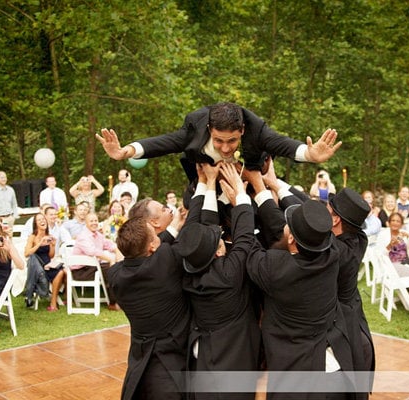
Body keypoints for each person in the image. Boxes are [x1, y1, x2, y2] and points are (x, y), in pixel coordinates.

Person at [246, 199, 355, 398]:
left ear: (290, 240)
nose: (283, 226)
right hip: (336, 372)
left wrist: (241, 200)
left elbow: (248, 248)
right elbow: (308, 229)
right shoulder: (331, 256)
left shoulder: (275, 268)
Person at [174, 162, 261, 399]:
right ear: (219, 252)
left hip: (203, 353)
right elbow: (244, 236)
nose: (220, 236)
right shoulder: (230, 272)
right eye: (219, 240)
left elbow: (194, 232)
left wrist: (207, 183)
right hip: (236, 358)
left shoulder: (187, 268)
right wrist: (239, 194)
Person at [96, 102, 342, 182]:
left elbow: (282, 144)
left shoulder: (257, 129)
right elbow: (165, 142)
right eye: (219, 140)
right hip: (205, 179)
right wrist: (125, 151)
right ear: (208, 129)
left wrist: (310, 155)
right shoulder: (195, 125)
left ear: (243, 130)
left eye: (232, 141)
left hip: (249, 180)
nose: (225, 148)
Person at [107, 216, 190, 399]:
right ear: (152, 246)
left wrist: (174, 224)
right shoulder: (166, 261)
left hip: (139, 364)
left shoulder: (115, 275)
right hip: (170, 361)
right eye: (155, 234)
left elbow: (144, 255)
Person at [327, 188, 376, 398]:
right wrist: (278, 186)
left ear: (336, 220)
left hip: (346, 330)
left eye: (327, 211)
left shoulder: (336, 251)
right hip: (356, 321)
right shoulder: (359, 238)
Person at [72, 212, 120, 310]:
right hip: (81, 271)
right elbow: (91, 251)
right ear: (86, 223)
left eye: (96, 221)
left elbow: (109, 244)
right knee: (110, 269)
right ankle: (113, 303)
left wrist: (117, 252)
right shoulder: (83, 236)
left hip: (93, 267)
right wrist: (110, 259)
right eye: (91, 221)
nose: (94, 223)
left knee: (118, 267)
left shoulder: (98, 234)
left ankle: (120, 300)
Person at [379, 212, 409, 307]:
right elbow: (380, 255)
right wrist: (390, 245)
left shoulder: (404, 233)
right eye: (393, 220)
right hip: (391, 266)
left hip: (405, 263)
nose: (395, 223)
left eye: (398, 221)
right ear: (389, 222)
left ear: (402, 224)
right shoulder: (383, 234)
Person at [23, 213, 59, 310]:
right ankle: (43, 290)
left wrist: (52, 245)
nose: (42, 221)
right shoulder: (32, 237)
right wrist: (39, 243)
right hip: (36, 265)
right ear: (35, 224)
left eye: (43, 219)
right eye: (39, 220)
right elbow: (26, 253)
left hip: (46, 265)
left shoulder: (49, 236)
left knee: (59, 271)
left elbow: (51, 255)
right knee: (32, 257)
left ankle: (30, 295)